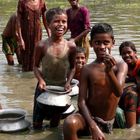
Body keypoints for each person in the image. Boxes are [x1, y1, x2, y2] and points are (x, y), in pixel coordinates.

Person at [63, 23, 128, 140]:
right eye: (97, 43)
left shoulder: (120, 65)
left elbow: (118, 92)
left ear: (113, 42)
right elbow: (81, 102)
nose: (102, 47)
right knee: (69, 124)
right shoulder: (87, 69)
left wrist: (109, 71)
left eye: (106, 42)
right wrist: (93, 126)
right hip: (89, 119)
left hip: (107, 121)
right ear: (91, 43)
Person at [33, 7, 76, 129]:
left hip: (61, 89)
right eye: (57, 21)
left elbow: (73, 68)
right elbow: (35, 66)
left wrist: (68, 82)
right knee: (37, 123)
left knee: (54, 123)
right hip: (43, 88)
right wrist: (41, 81)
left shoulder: (71, 46)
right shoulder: (41, 45)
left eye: (64, 21)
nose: (61, 25)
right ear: (48, 24)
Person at [17, 0, 50, 71]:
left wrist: (49, 34)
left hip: (37, 34)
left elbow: (45, 20)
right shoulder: (22, 2)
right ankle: (25, 77)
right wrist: (21, 39)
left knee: (36, 55)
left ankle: (34, 77)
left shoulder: (41, 2)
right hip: (25, 34)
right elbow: (18, 21)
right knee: (26, 57)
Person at [118, 41, 140, 128]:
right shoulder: (123, 67)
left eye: (129, 52)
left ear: (135, 53)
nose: (126, 55)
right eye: (123, 53)